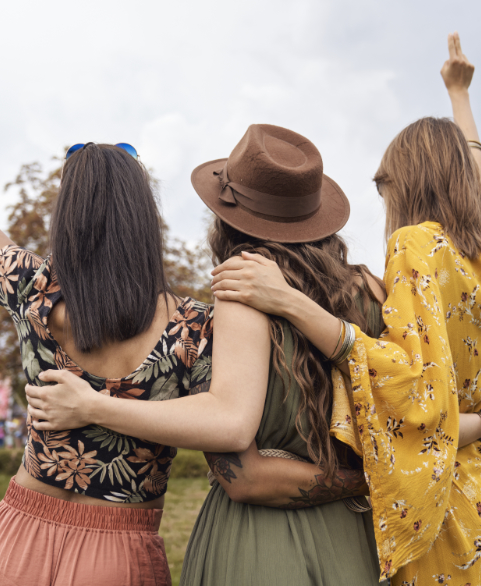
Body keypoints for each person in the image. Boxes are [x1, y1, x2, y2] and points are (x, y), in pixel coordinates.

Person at [0, 48, 279, 585]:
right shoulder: (193, 328)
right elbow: (228, 424)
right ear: (144, 220)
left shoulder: (31, 289)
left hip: (15, 538)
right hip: (118, 549)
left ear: (68, 219)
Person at [210, 33, 481, 584]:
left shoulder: (413, 247)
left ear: (408, 183)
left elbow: (409, 384)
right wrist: (459, 96)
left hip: (444, 511)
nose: (385, 204)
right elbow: (474, 174)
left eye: (386, 188)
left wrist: (287, 301)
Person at [25, 124, 386, 584]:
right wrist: (371, 476)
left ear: (227, 217)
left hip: (258, 545)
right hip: (355, 533)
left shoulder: (238, 295)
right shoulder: (375, 291)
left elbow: (244, 478)